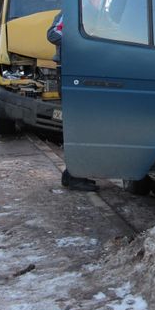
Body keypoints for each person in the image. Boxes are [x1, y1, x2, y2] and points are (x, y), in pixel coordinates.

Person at [47, 11, 98, 192]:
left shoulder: (97, 14)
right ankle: (75, 175)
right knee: (78, 125)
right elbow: (52, 34)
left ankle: (72, 173)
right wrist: (76, 40)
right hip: (70, 71)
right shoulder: (69, 13)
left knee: (83, 125)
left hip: (82, 71)